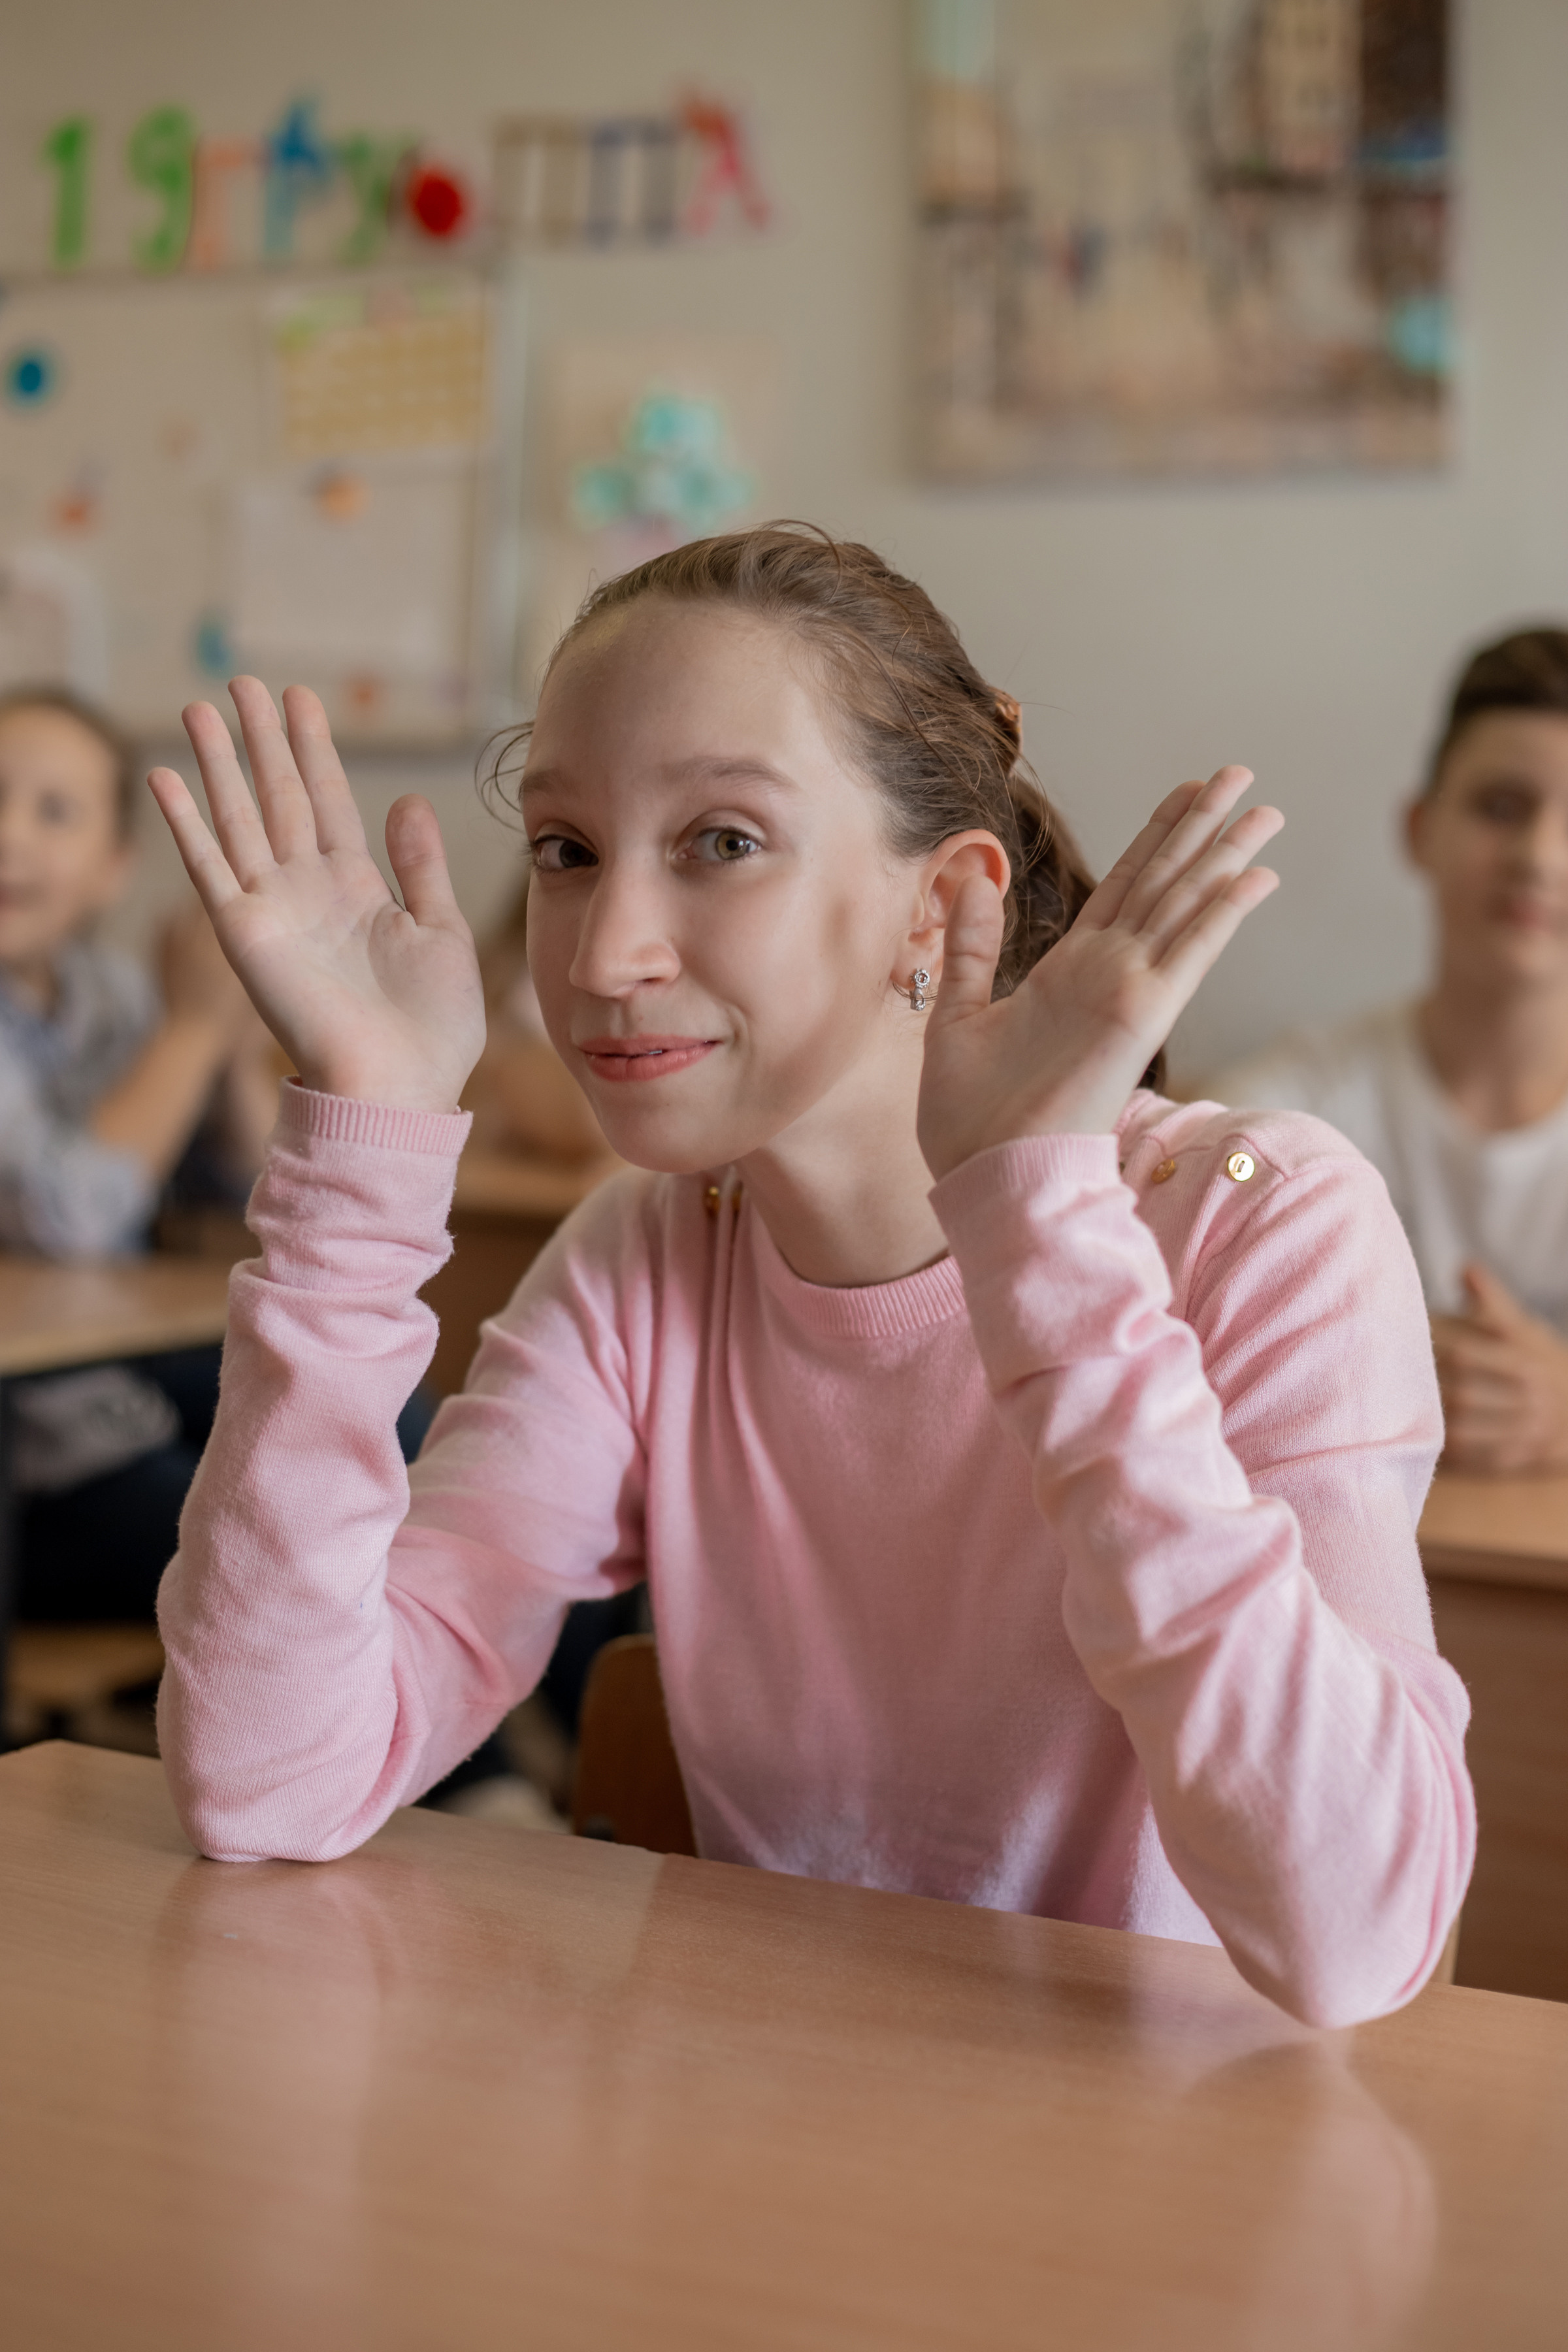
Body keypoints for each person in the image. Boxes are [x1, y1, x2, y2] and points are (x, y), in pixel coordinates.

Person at [148, 527, 1473, 2029]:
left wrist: (1037, 1220)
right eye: (569, 852)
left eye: (722, 841)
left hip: (1165, 2190)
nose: (599, 955)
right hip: (759, 2169)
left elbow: (1358, 1934)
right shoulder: (646, 1255)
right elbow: (267, 1779)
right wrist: (368, 1140)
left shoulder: (1261, 1224)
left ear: (941, 905)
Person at [1213, 627, 1568, 1475]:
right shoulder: (1303, 1099)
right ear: (1420, 829)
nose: (1539, 857)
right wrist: (1363, 1360)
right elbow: (1184, 1196)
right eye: (1501, 808)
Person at [0, 686, 276, 1622]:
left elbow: (245, 1192)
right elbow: (69, 1219)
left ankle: (547, 1759)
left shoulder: (109, 991)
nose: (12, 834)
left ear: (113, 868)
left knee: (395, 1437)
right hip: (35, 1453)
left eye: (54, 811)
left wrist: (232, 1037)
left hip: (107, 1390)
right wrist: (192, 1031)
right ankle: (451, 1773)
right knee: (265, 1550)